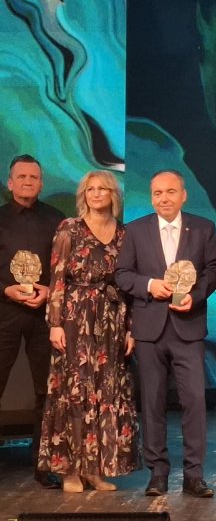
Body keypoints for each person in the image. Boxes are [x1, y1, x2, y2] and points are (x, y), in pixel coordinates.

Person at [115, 170, 216, 498]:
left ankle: (194, 475)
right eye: (158, 193)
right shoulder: (135, 230)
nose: (164, 198)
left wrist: (195, 295)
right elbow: (122, 274)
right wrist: (149, 285)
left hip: (188, 327)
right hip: (150, 329)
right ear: (152, 197)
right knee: (152, 402)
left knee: (194, 402)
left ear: (183, 195)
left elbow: (215, 270)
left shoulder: (203, 228)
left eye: (170, 192)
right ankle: (157, 473)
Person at [37, 170, 139, 493]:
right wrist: (55, 322)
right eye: (90, 189)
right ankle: (70, 470)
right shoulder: (69, 228)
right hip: (75, 317)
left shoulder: (125, 234)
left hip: (111, 319)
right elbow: (57, 277)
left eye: (102, 189)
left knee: (105, 392)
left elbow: (129, 286)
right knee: (75, 392)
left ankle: (94, 470)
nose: (96, 194)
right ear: (84, 195)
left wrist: (131, 328)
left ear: (113, 195)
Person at [0, 154, 65, 488]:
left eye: (33, 177)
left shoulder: (57, 221)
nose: (28, 181)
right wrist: (5, 289)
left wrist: (50, 291)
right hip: (5, 311)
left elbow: (65, 268)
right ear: (10, 182)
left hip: (44, 315)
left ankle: (43, 465)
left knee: (46, 391)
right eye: (22, 177)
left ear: (41, 183)